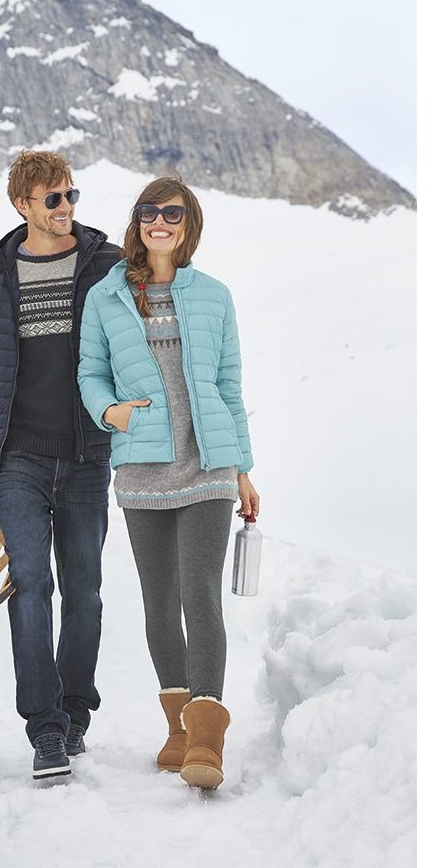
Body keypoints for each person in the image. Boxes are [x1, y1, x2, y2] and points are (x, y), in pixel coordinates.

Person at [77, 175, 259, 790]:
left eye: (173, 214)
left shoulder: (214, 296)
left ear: (189, 225)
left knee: (199, 593)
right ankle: (178, 729)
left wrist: (243, 468)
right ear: (137, 222)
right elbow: (90, 372)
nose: (160, 222)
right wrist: (110, 412)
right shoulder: (105, 297)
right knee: (159, 600)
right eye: (149, 212)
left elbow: (228, 385)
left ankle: (207, 738)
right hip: (141, 465)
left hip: (208, 465)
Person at [0, 149, 123, 780]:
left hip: (86, 454)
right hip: (17, 458)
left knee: (85, 592)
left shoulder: (106, 264)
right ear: (22, 205)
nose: (65, 208)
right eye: (52, 199)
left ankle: (76, 711)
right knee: (31, 587)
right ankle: (45, 729)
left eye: (71, 195)